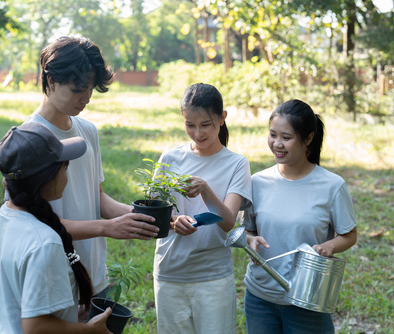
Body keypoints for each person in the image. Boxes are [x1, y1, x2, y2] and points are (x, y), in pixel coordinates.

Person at [24, 36, 159, 307]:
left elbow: (96, 198)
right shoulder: (28, 140)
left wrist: (143, 218)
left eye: (90, 89)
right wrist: (107, 228)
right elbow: (36, 225)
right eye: (78, 89)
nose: (86, 97)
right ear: (51, 81)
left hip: (95, 275)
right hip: (54, 282)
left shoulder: (87, 131)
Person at [243, 99, 358, 333]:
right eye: (273, 135)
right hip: (260, 298)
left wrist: (329, 246)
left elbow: (349, 235)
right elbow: (249, 229)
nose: (277, 144)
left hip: (308, 299)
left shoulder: (332, 186)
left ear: (308, 139)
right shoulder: (257, 182)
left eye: (286, 137)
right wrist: (250, 240)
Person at [0, 122, 112, 333]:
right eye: (65, 168)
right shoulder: (45, 243)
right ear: (46, 180)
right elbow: (36, 327)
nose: (67, 176)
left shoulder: (2, 219)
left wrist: (68, 313)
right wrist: (89, 329)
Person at [153, 83, 252, 334]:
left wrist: (206, 190)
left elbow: (229, 222)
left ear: (222, 118)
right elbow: (155, 212)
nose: (197, 133)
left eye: (205, 124)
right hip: (170, 271)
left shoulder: (237, 164)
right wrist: (174, 221)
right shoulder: (170, 158)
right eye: (190, 125)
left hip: (213, 276)